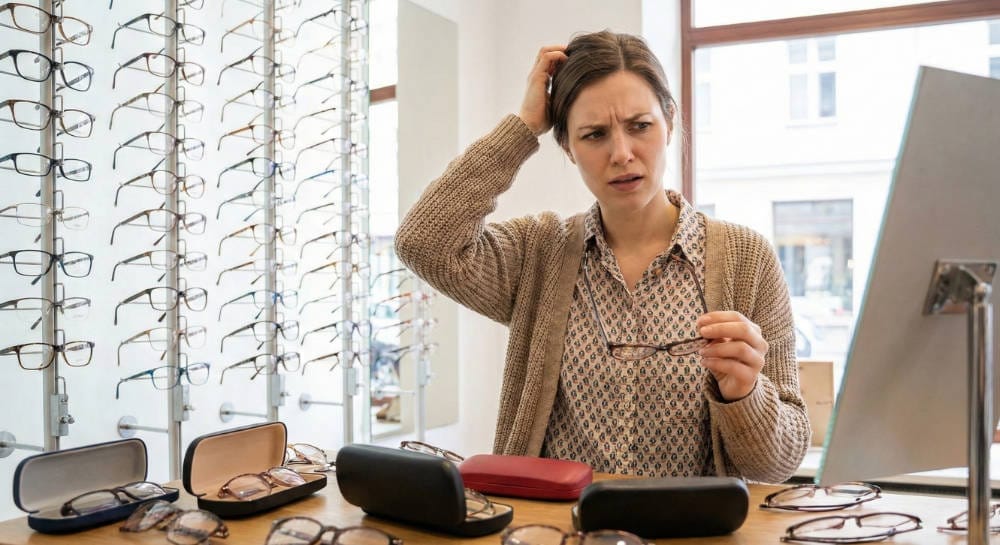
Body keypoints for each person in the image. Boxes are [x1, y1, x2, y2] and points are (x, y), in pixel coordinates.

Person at [395, 30, 810, 482]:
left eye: (640, 126)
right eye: (594, 135)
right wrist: (523, 127)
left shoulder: (746, 258)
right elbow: (423, 241)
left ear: (669, 121)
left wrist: (745, 393)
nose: (622, 153)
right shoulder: (538, 252)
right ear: (568, 148)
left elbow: (779, 465)